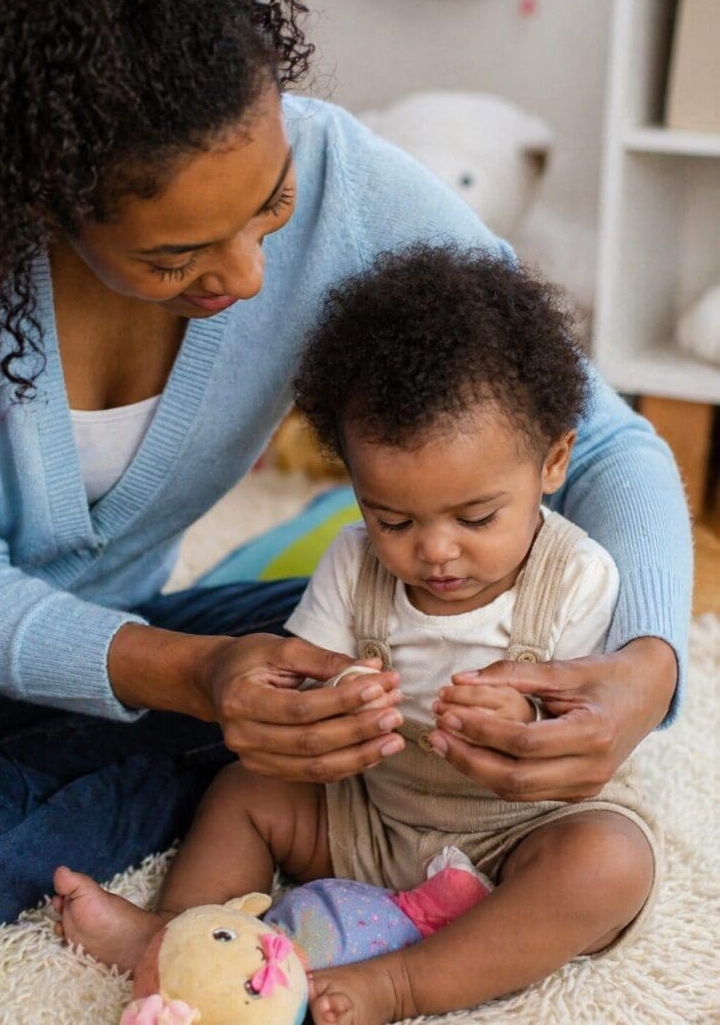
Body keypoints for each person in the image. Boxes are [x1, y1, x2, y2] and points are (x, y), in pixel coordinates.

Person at [0, 0, 689, 940]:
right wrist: (191, 678)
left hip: (138, 641)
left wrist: (647, 668)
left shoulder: (343, 179)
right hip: (33, 652)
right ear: (41, 201)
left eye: (271, 206)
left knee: (393, 630)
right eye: (175, 258)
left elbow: (602, 444)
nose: (249, 278)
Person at [52, 248, 660, 1023]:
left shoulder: (576, 573)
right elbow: (311, 669)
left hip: (520, 828)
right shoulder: (352, 562)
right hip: (372, 812)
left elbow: (585, 719)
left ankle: (402, 983)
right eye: (393, 519)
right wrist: (337, 697)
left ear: (554, 462)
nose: (435, 551)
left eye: (477, 518)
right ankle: (182, 938)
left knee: (610, 864)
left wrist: (525, 721)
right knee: (246, 791)